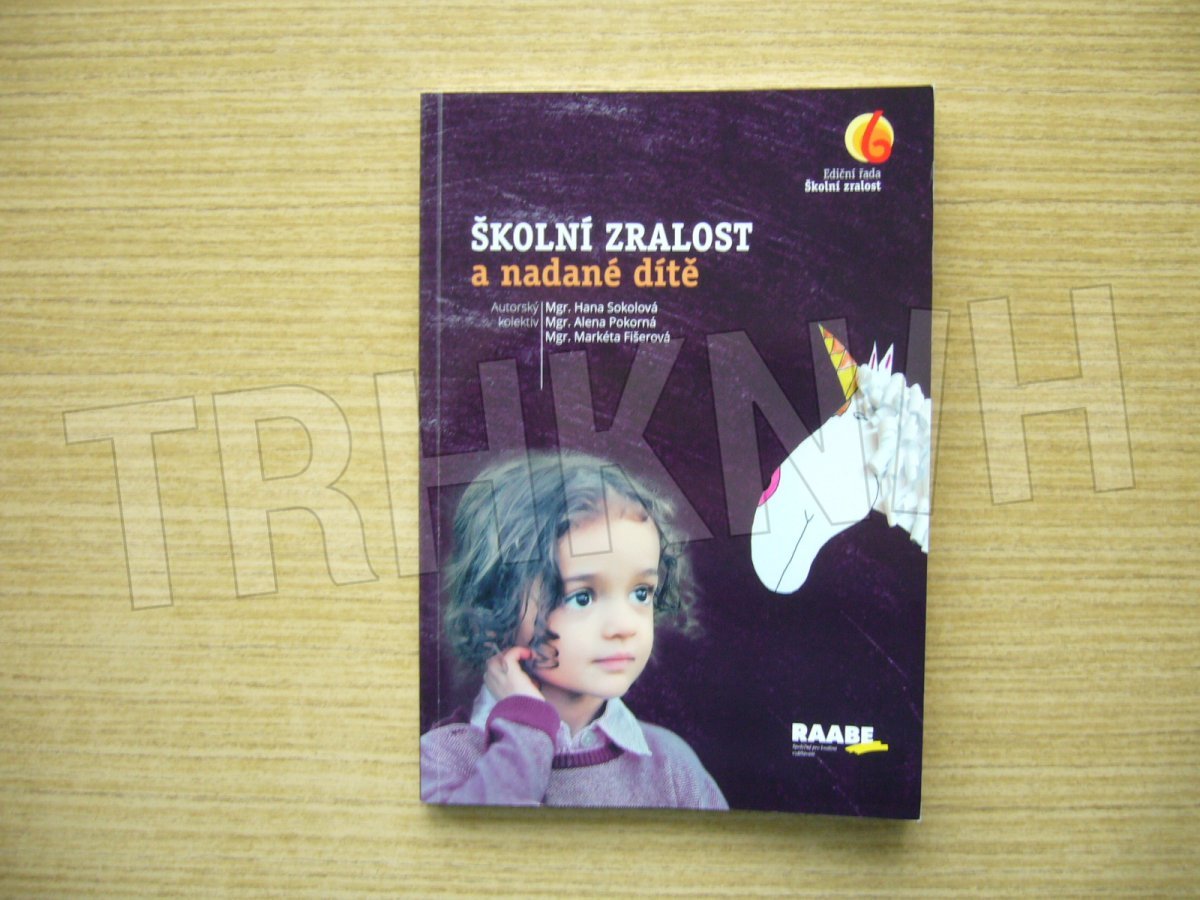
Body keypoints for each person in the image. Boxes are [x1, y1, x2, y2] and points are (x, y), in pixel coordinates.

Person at [421, 451, 727, 809]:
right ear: (494, 605)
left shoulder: (671, 766)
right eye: (581, 597)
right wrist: (526, 729)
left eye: (641, 593)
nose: (624, 626)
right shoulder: (444, 761)